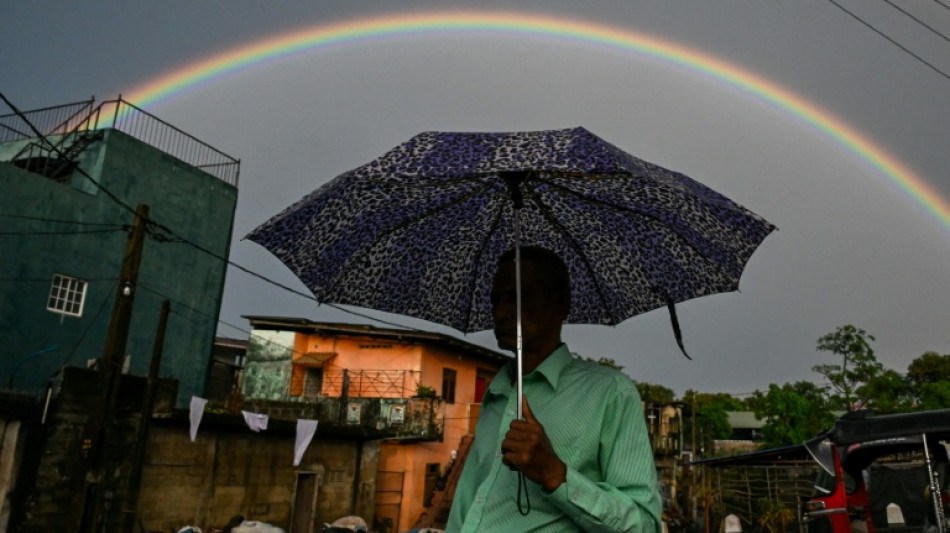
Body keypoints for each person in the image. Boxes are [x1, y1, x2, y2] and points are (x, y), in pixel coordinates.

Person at [446, 246, 663, 532]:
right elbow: (468, 504)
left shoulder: (610, 393)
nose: (501, 312)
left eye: (519, 298)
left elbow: (644, 525)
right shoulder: (497, 393)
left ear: (560, 305)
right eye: (495, 300)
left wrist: (554, 473)